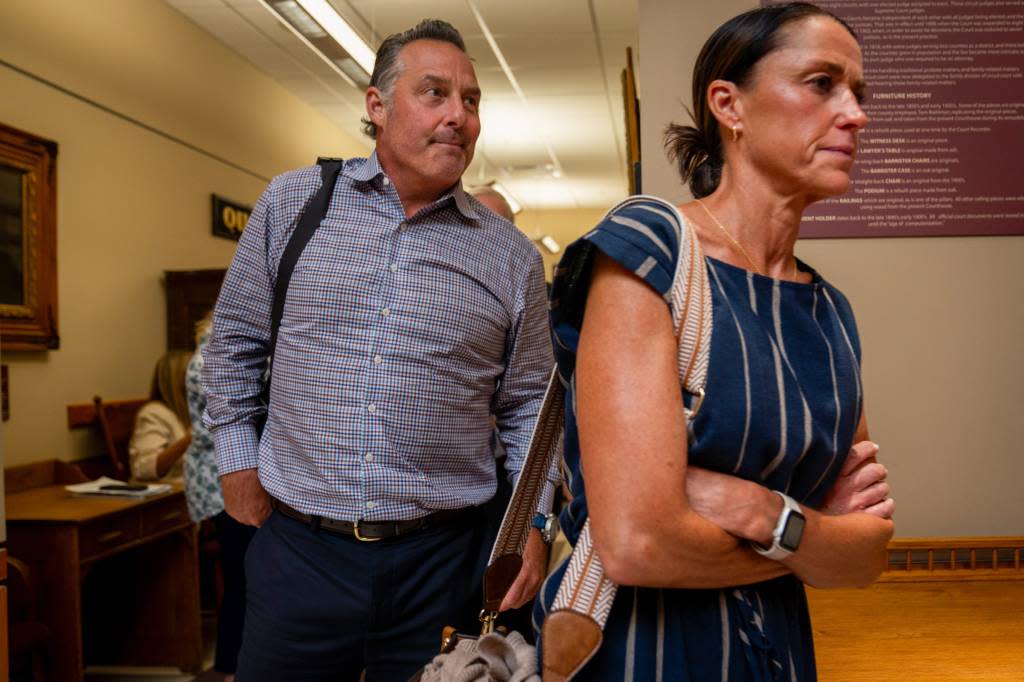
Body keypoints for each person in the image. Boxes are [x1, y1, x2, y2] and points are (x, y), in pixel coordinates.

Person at [536, 4, 895, 679]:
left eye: (858, 93)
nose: (855, 114)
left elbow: (867, 555)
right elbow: (638, 543)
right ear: (728, 104)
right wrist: (812, 540)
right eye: (822, 84)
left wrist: (755, 508)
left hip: (779, 656)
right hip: (649, 655)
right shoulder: (649, 252)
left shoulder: (829, 314)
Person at [202, 18, 555, 681]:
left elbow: (531, 402)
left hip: (444, 563)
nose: (458, 116)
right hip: (300, 555)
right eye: (435, 93)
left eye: (471, 100)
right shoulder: (293, 205)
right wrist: (238, 469)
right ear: (377, 105)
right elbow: (233, 350)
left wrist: (532, 523)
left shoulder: (509, 255)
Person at [184, 312, 253, 681]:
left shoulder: (213, 350)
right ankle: (230, 666)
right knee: (242, 576)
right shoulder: (214, 358)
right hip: (221, 478)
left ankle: (232, 663)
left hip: (220, 475)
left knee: (241, 574)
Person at [129, 350, 192, 482]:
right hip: (167, 497)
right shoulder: (154, 413)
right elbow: (145, 469)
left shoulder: (191, 411)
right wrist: (191, 437)